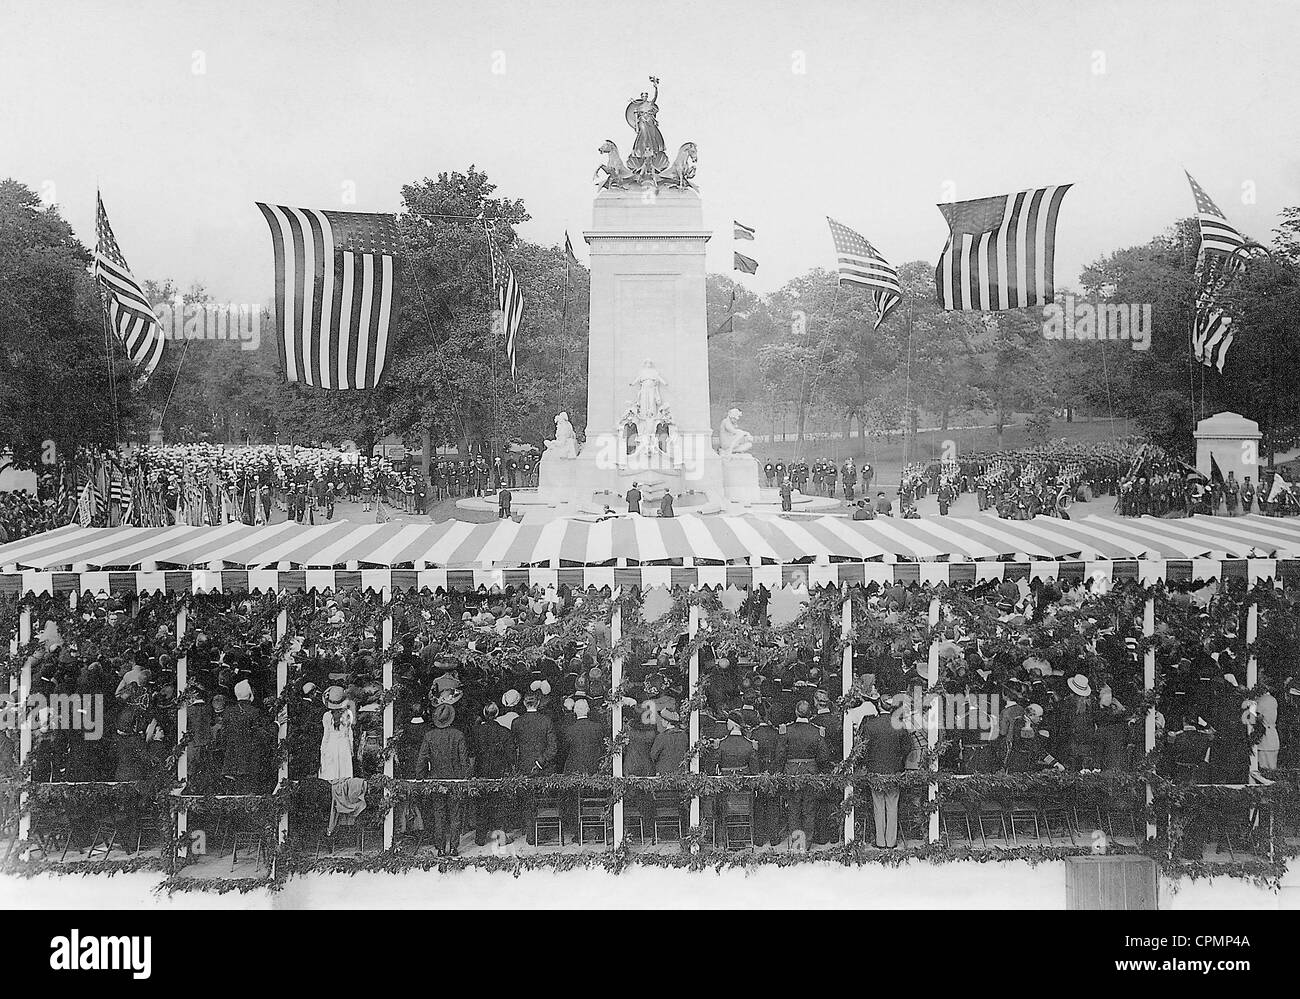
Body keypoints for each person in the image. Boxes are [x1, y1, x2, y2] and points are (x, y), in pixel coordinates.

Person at [416, 703, 471, 856]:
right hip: (455, 781)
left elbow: (422, 759)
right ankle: (454, 847)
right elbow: (464, 760)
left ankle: (440, 848)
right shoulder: (458, 735)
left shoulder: (429, 736)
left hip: (436, 780)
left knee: (438, 815)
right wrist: (465, 778)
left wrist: (420, 778)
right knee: (455, 815)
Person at [857, 695, 910, 848]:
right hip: (894, 770)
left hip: (875, 771)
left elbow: (863, 749)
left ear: (879, 706)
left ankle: (880, 841)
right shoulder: (899, 724)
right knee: (893, 805)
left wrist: (869, 762)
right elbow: (908, 747)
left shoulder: (870, 725)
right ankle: (891, 841)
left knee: (878, 805)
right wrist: (898, 759)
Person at [777, 700, 830, 847]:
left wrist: (780, 773)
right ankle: (806, 844)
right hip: (811, 772)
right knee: (809, 809)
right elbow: (823, 756)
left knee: (793, 809)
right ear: (810, 713)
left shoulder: (786, 730)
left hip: (791, 772)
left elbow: (780, 755)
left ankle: (796, 844)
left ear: (796, 712)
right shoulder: (817, 731)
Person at [512, 690, 557, 844]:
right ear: (538, 703)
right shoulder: (546, 721)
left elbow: (514, 746)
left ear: (524, 703)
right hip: (543, 767)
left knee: (528, 802)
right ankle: (542, 833)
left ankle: (531, 836)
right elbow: (553, 748)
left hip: (524, 766)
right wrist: (540, 762)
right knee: (543, 801)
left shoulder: (517, 722)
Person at [561, 699, 606, 841]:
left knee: (575, 801)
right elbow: (603, 748)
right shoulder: (598, 728)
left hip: (574, 768)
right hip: (594, 768)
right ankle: (600, 832)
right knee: (597, 799)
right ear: (588, 710)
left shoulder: (569, 729)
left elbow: (565, 751)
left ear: (575, 712)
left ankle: (578, 833)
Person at [472, 702, 516, 845]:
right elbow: (511, 756)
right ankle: (501, 838)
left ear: (485, 714)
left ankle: (479, 838)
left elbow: (471, 753)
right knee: (499, 805)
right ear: (497, 714)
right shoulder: (504, 732)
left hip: (481, 772)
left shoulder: (476, 731)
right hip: (499, 772)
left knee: (482, 805)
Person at [318, 685, 355, 783]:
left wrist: (323, 750)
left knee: (331, 770)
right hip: (344, 745)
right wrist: (351, 749)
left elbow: (326, 736)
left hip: (331, 745)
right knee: (344, 771)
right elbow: (349, 734)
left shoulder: (326, 716)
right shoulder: (348, 714)